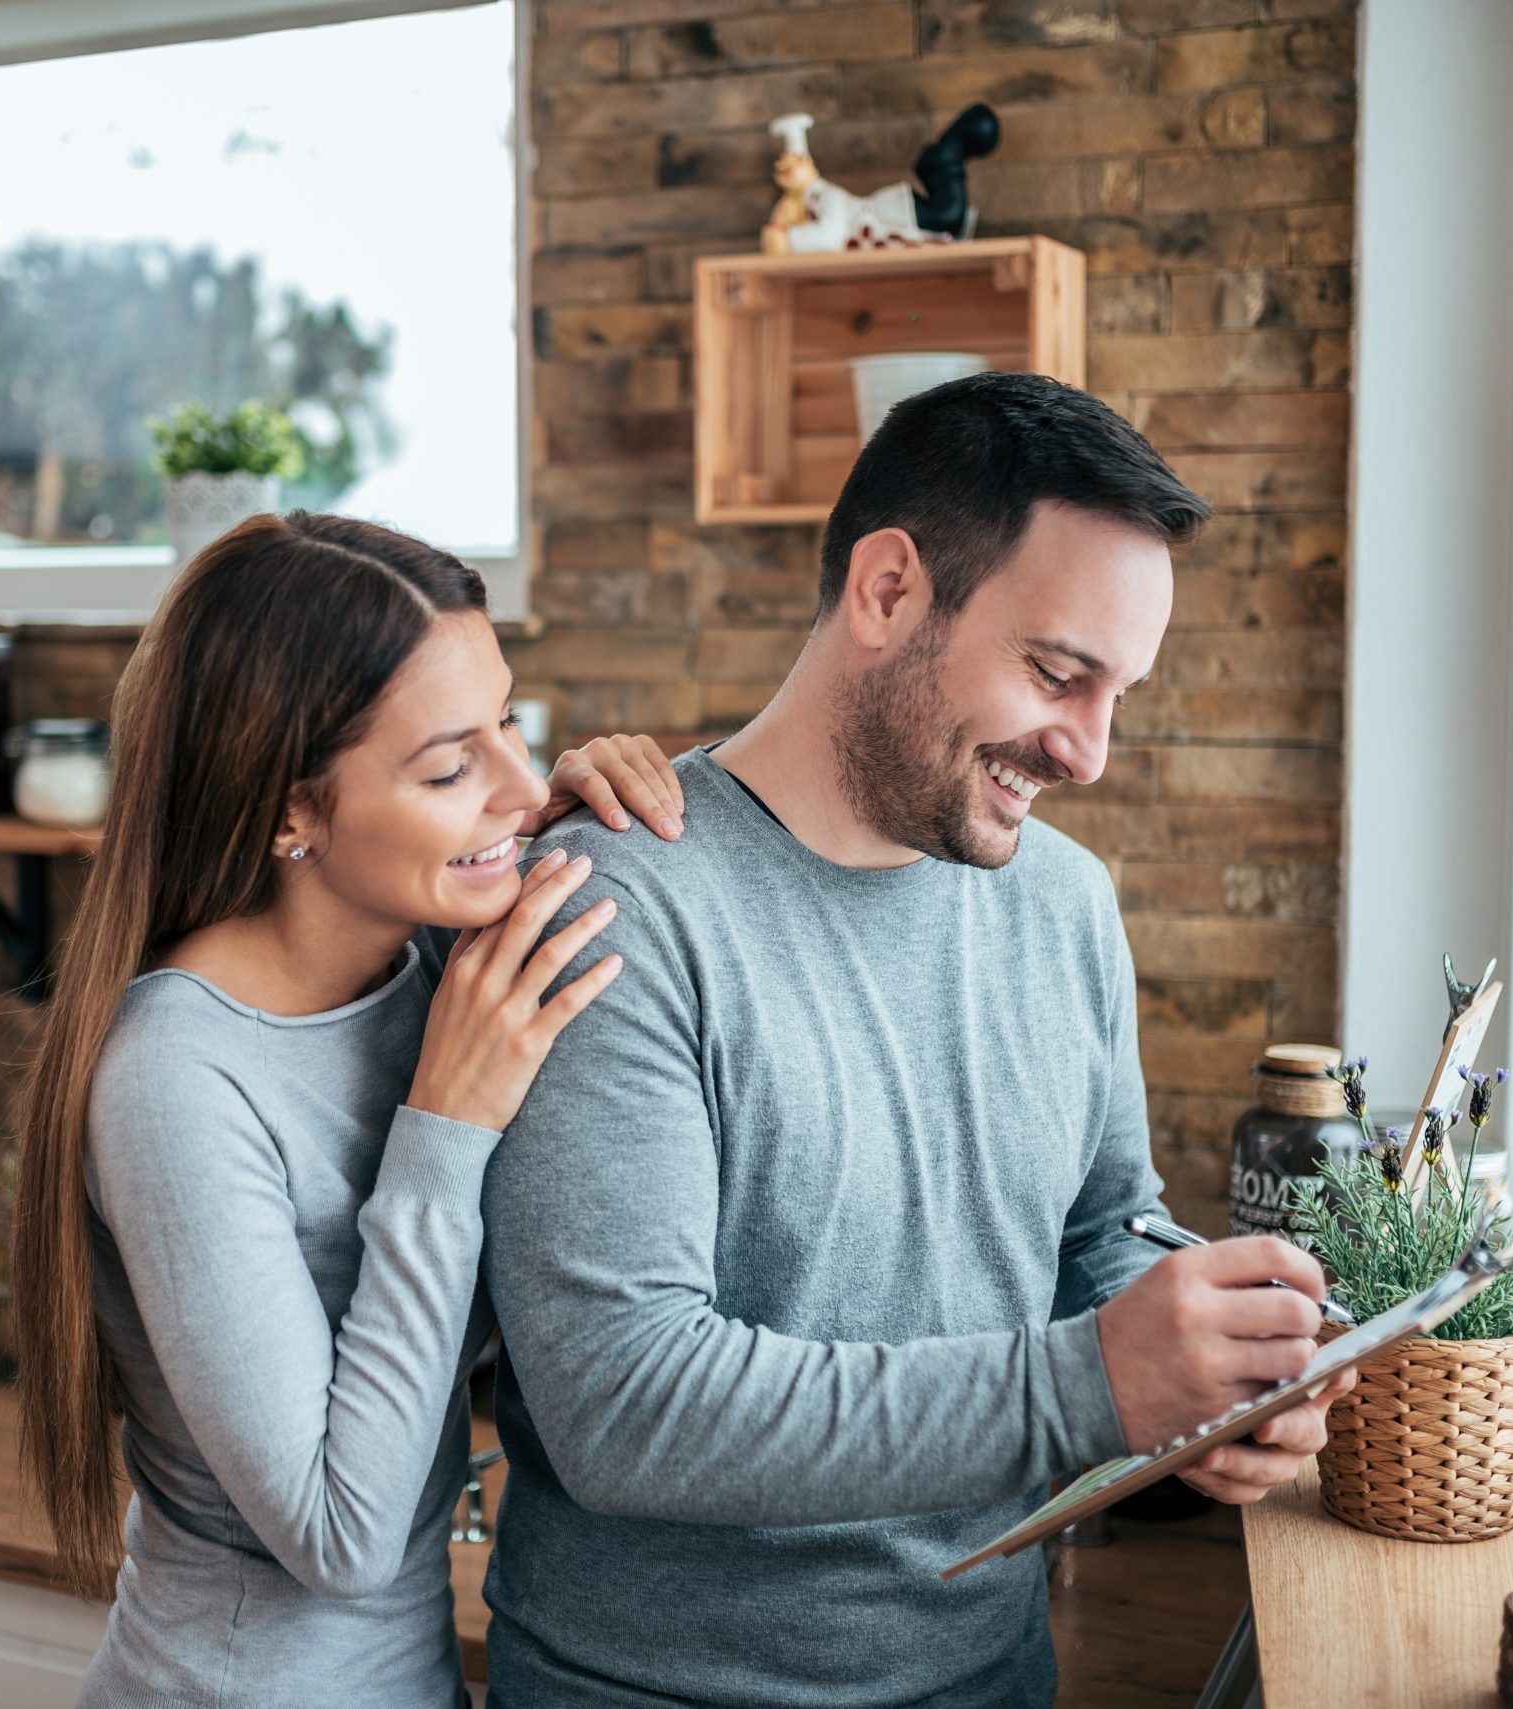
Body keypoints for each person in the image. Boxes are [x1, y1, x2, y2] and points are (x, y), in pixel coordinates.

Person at [480, 373, 1353, 1708]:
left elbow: (1099, 1236)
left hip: (990, 1675)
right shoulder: (622, 901)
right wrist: (1092, 1384)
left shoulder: (1065, 906)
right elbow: (625, 1402)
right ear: (888, 591)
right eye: (1059, 674)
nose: (1090, 752)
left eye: (1119, 692)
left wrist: (1211, 1381)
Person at [8, 511, 685, 1708]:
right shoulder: (176, 1077)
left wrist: (607, 802)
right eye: (448, 766)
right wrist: (444, 1129)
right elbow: (340, 1533)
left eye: (511, 724)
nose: (519, 790)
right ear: (292, 810)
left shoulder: (429, 970)